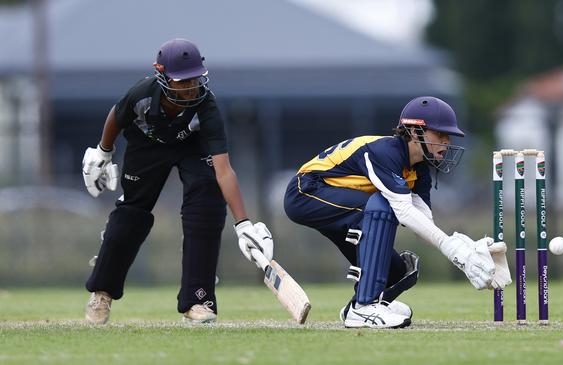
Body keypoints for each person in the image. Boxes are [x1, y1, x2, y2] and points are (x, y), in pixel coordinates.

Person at [81, 38, 273, 324]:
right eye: (183, 81)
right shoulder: (143, 93)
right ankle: (102, 293)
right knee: (131, 214)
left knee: (207, 206)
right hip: (147, 145)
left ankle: (198, 300)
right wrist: (103, 151)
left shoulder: (207, 106)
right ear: (162, 76)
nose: (190, 87)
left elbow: (224, 171)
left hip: (192, 148)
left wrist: (243, 223)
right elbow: (116, 115)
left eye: (195, 79)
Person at [283, 96, 512, 329]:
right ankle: (364, 307)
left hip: (342, 202)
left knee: (399, 271)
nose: (446, 141)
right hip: (306, 192)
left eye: (448, 136)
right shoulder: (386, 152)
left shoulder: (420, 169)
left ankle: (357, 305)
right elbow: (402, 210)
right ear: (414, 132)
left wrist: (465, 251)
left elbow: (423, 225)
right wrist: (453, 250)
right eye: (440, 134)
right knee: (383, 206)